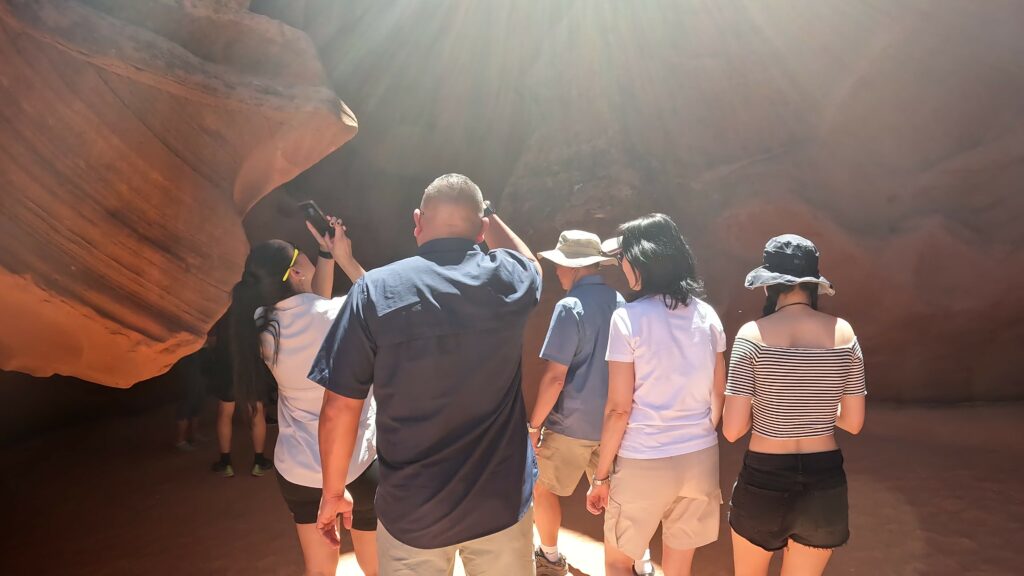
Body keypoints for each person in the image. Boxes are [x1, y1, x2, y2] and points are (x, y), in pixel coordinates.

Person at [311, 174, 542, 576]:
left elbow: (338, 409)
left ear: (417, 222)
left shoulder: (372, 292)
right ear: (482, 228)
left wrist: (333, 491)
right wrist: (487, 214)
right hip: (500, 503)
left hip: (414, 511)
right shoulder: (508, 279)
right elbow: (530, 262)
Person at [227, 215, 380, 576]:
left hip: (298, 469)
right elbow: (381, 299)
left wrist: (323, 255)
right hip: (355, 462)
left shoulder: (262, 324)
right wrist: (343, 256)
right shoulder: (337, 314)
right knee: (376, 569)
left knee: (319, 570)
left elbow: (309, 306)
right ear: (295, 274)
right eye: (300, 255)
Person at [586, 213, 727, 576]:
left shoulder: (627, 318)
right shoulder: (707, 315)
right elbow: (718, 394)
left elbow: (618, 409)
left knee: (619, 562)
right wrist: (696, 432)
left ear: (640, 260)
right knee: (679, 566)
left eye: (622, 258)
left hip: (644, 460)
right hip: (699, 458)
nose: (622, 266)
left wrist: (601, 478)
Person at [722, 234, 866, 576]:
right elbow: (854, 422)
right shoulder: (844, 333)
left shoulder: (751, 335)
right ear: (813, 283)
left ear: (769, 284)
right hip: (825, 480)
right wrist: (813, 404)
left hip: (764, 477)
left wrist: (774, 404)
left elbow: (732, 431)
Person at [529, 230, 625, 576]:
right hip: (614, 424)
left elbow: (556, 377)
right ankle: (628, 563)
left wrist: (534, 426)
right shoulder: (620, 302)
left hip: (570, 424)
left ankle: (550, 557)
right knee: (614, 498)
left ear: (575, 268)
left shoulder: (570, 307)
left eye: (560, 264)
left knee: (542, 487)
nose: (557, 271)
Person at [209, 315, 271, 478]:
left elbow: (212, 339)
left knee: (225, 412)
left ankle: (225, 462)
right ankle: (259, 461)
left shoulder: (221, 310)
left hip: (227, 365)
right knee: (256, 412)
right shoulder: (255, 306)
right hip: (251, 366)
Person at [173, 346, 208, 452]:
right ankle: (180, 441)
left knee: (197, 398)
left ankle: (194, 434)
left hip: (194, 361)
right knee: (187, 400)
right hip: (185, 362)